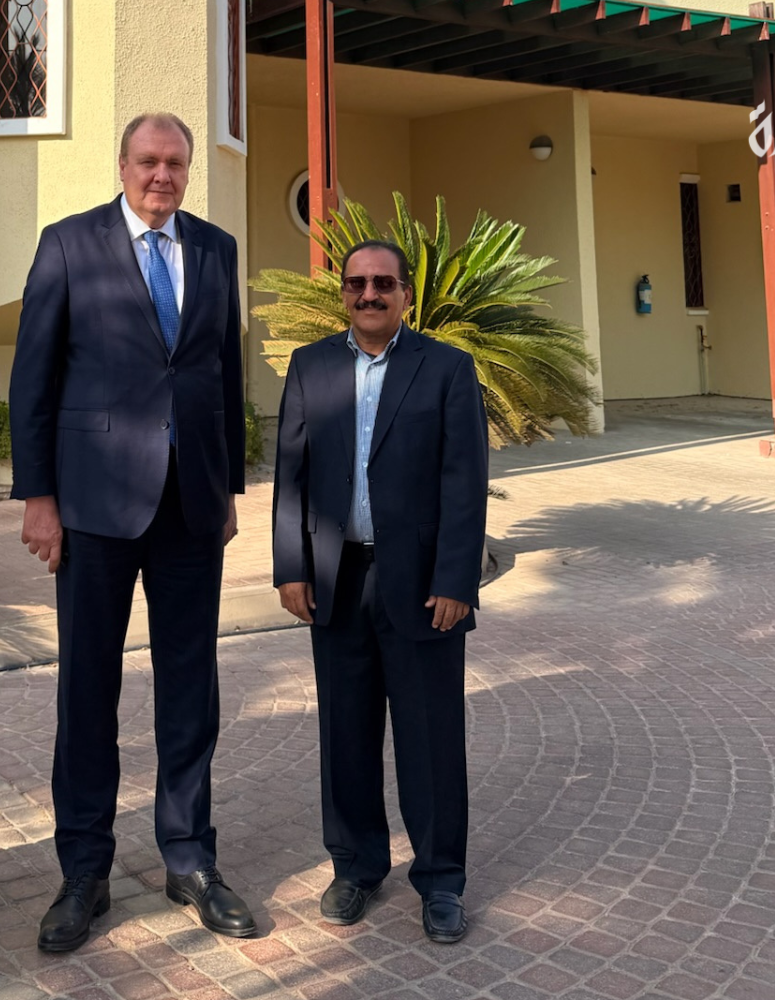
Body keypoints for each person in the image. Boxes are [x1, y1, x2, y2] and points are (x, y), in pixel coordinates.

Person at [8, 112, 251, 951]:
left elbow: (222, 373)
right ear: (122, 165)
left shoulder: (215, 249)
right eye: (149, 160)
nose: (162, 175)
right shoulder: (68, 244)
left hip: (191, 508)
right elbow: (33, 378)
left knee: (191, 689)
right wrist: (38, 497)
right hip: (94, 507)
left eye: (176, 162)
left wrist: (228, 487)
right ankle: (84, 871)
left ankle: (190, 859)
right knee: (88, 691)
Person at [272, 240, 488, 943]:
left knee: (431, 738)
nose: (369, 294)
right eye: (357, 283)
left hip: (423, 586)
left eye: (383, 284)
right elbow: (292, 475)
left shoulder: (447, 368)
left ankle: (442, 879)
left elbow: (464, 481)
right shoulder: (310, 366)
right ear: (343, 292)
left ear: (405, 295)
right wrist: (291, 567)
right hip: (335, 582)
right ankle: (356, 866)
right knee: (346, 734)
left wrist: (456, 580)